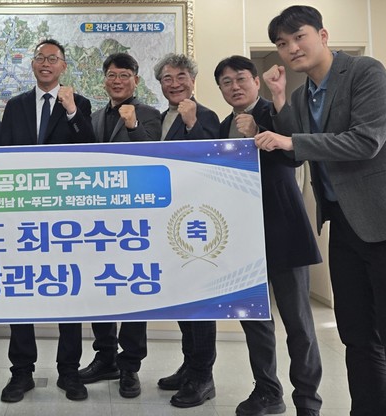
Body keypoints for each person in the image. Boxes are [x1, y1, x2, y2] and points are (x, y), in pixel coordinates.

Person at [254, 6, 386, 416]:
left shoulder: (365, 72)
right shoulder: (303, 95)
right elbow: (293, 149)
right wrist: (279, 98)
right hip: (344, 224)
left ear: (323, 35)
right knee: (357, 338)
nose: (291, 48)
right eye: (282, 44)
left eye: (299, 37)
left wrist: (290, 142)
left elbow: (365, 141)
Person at [214, 55, 323, 416]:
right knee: (255, 322)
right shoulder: (223, 126)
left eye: (241, 79)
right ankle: (268, 392)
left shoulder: (275, 111)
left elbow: (295, 157)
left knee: (298, 323)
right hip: (243, 239)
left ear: (256, 81)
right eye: (226, 82)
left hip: (284, 232)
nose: (234, 87)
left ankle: (308, 401)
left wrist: (260, 130)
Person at [0, 38, 95, 403]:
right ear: (33, 64)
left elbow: (89, 148)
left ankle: (69, 372)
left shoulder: (79, 103)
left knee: (68, 292)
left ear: (63, 66)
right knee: (21, 292)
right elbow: (2, 155)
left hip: (64, 216)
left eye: (53, 58)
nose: (45, 63)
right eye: (40, 57)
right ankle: (21, 372)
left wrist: (71, 111)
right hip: (23, 214)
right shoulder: (16, 105)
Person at [78, 52, 161, 399]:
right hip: (99, 221)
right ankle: (105, 357)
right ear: (104, 80)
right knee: (102, 286)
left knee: (133, 291)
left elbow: (154, 155)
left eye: (124, 75)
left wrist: (132, 125)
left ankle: (130, 366)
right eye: (112, 75)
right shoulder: (95, 117)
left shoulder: (150, 114)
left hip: (134, 222)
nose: (117, 81)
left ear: (136, 80)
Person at [153, 53, 220, 408]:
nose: (175, 83)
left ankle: (203, 376)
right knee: (181, 298)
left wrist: (192, 124)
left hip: (197, 224)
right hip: (168, 222)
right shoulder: (158, 117)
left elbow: (212, 164)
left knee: (200, 301)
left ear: (193, 80)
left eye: (181, 77)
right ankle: (189, 365)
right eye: (167, 78)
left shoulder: (206, 116)